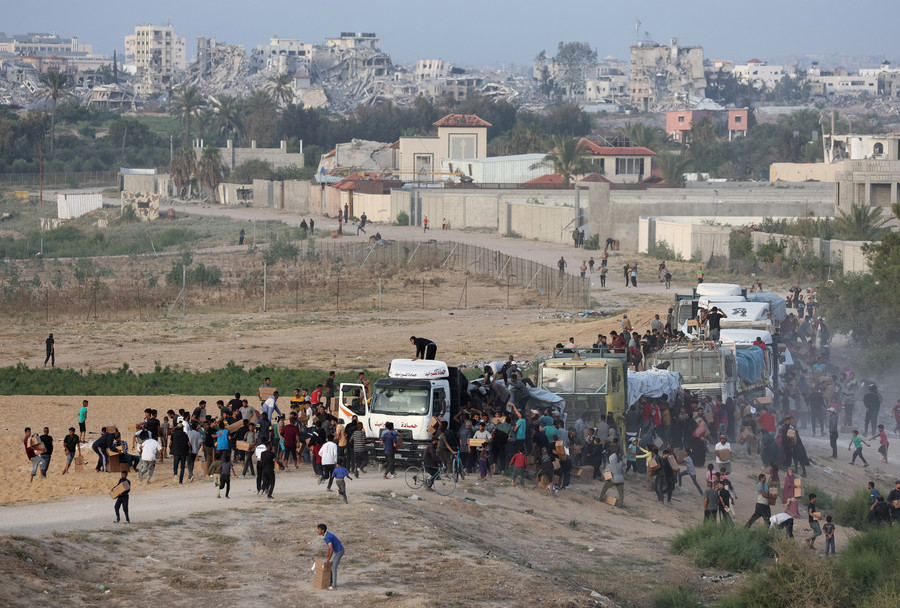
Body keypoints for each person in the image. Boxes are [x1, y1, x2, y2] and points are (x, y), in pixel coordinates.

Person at [317, 524, 345, 590]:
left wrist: (328, 559)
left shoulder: (327, 537)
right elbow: (330, 547)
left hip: (339, 551)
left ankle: (334, 586)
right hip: (335, 551)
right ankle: (330, 582)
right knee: (330, 565)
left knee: (333, 567)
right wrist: (328, 553)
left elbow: (331, 548)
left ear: (323, 530)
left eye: (319, 529)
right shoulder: (326, 535)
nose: (318, 531)